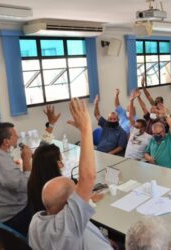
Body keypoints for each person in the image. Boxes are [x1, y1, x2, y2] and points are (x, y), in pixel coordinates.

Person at [28, 98, 113, 250]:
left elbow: (41, 149)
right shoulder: (66, 224)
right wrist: (86, 129)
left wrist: (51, 124)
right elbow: (87, 178)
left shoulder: (36, 219)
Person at [0, 122, 32, 235]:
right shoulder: (0, 161)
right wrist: (26, 160)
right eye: (15, 135)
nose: (18, 137)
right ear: (6, 141)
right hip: (13, 215)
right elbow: (25, 185)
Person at [144, 104, 171, 168]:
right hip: (154, 168)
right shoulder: (152, 139)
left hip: (168, 170)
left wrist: (165, 114)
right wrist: (148, 158)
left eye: (159, 133)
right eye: (154, 133)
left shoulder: (169, 138)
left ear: (164, 132)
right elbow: (146, 152)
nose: (157, 135)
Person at [125, 90, 152, 160]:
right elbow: (130, 116)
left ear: (143, 128)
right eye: (135, 126)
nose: (135, 128)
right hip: (125, 159)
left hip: (137, 162)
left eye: (137, 127)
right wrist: (131, 101)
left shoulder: (149, 138)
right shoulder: (133, 131)